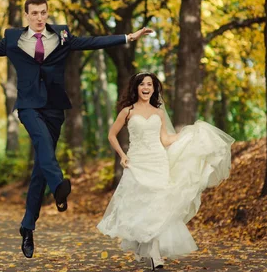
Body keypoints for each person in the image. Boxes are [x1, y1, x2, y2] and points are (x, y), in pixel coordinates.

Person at [0, 0, 152, 258]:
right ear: (27, 15)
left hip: (55, 107)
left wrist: (127, 37)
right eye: (34, 14)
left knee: (39, 170)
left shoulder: (63, 35)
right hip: (28, 105)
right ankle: (59, 185)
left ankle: (27, 227)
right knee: (43, 145)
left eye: (43, 13)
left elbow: (92, 43)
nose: (40, 18)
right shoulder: (12, 39)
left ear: (47, 13)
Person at [97, 72, 234, 270]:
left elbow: (165, 140)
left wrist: (189, 134)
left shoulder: (159, 113)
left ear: (154, 89)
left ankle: (154, 254)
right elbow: (112, 135)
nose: (146, 87)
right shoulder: (127, 111)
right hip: (136, 162)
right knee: (140, 206)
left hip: (158, 162)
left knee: (158, 207)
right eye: (142, 84)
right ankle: (144, 245)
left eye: (150, 84)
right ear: (136, 87)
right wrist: (122, 155)